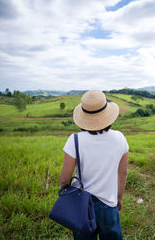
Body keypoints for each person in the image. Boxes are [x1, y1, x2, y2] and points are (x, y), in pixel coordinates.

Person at [59, 89, 129, 240]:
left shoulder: (75, 139)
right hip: (108, 204)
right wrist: (119, 198)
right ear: (108, 115)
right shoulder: (119, 138)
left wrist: (65, 191)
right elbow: (122, 173)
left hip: (81, 205)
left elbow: (64, 179)